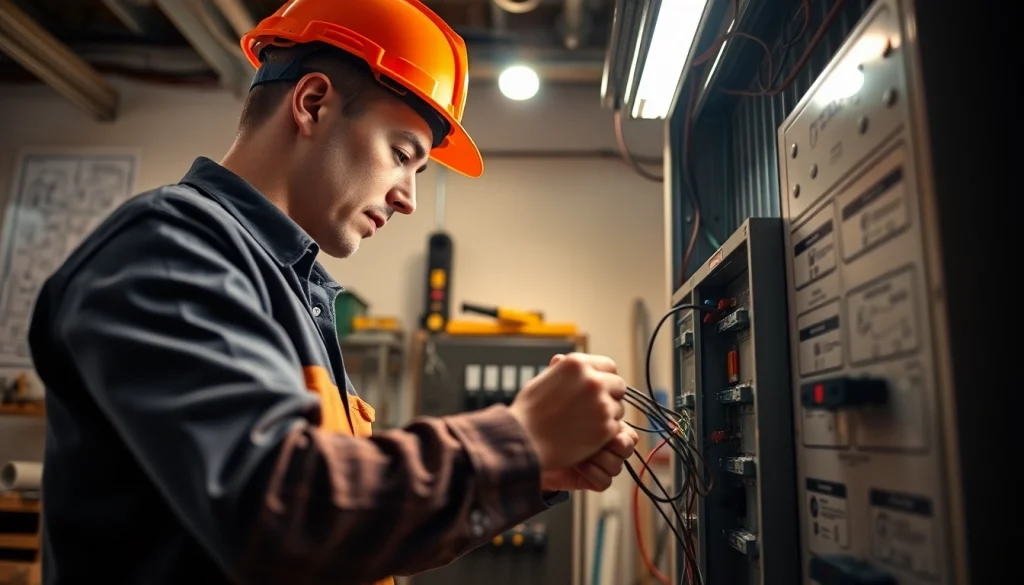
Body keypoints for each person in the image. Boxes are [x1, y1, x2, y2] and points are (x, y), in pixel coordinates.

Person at [26, 1, 639, 584]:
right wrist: (518, 438)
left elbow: (348, 532)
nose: (408, 197)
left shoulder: (291, 289)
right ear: (314, 103)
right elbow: (280, 511)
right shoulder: (168, 250)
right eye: (402, 155)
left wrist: (531, 471)